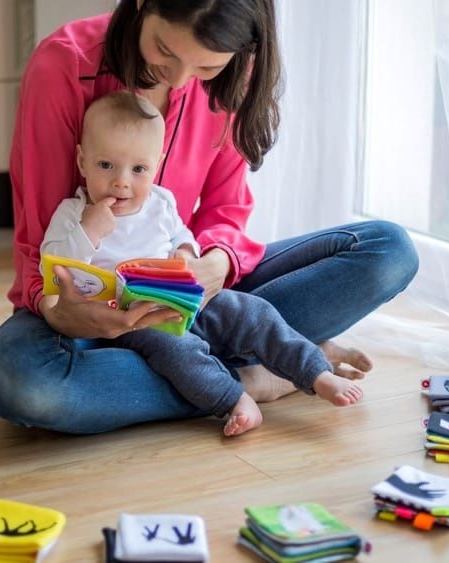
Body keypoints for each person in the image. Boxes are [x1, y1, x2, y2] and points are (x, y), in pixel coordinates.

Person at [0, 0, 419, 434]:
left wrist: (211, 264)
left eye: (206, 68)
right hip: (87, 312)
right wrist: (64, 316)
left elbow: (225, 210)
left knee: (388, 250)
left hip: (192, 299)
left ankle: (206, 371)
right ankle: (253, 376)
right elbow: (40, 247)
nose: (182, 79)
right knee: (22, 383)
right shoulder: (65, 65)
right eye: (166, 51)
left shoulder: (233, 76)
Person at [42, 90, 363, 436]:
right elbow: (57, 268)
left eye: (138, 169)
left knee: (253, 312)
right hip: (133, 321)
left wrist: (185, 253)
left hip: (184, 298)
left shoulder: (160, 202)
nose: (122, 181)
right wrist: (88, 232)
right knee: (179, 350)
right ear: (82, 161)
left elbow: (182, 233)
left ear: (157, 165)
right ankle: (233, 398)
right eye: (106, 166)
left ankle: (316, 372)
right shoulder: (72, 213)